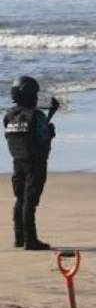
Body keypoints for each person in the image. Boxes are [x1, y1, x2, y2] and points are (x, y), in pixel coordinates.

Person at [4, 76, 57, 250]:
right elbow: (42, 139)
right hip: (35, 164)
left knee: (20, 198)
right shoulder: (38, 116)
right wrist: (50, 132)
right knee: (30, 202)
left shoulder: (9, 115)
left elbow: (16, 137)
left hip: (18, 162)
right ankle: (30, 240)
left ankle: (19, 238)